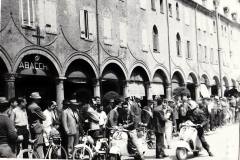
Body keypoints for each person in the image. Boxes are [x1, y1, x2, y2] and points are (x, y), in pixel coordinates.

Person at [27, 92, 46, 159]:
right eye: (38, 99)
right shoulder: (36, 107)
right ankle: (40, 158)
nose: (39, 100)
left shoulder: (29, 106)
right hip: (38, 127)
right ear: (35, 99)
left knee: (34, 144)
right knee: (39, 144)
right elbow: (44, 118)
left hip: (32, 126)